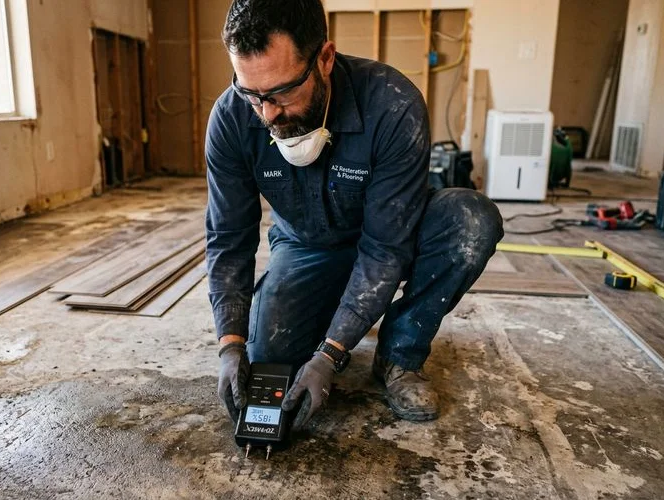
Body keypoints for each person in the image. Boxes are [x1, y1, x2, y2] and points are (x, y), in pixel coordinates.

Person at [206, 0, 503, 431]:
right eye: (252, 94)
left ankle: (400, 354)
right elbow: (228, 239)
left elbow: (385, 248)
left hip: (395, 233)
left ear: (324, 59)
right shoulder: (231, 118)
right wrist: (230, 343)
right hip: (306, 245)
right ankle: (326, 312)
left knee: (471, 221)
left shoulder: (392, 105)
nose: (267, 114)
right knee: (270, 356)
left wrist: (331, 355)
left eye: (282, 93)